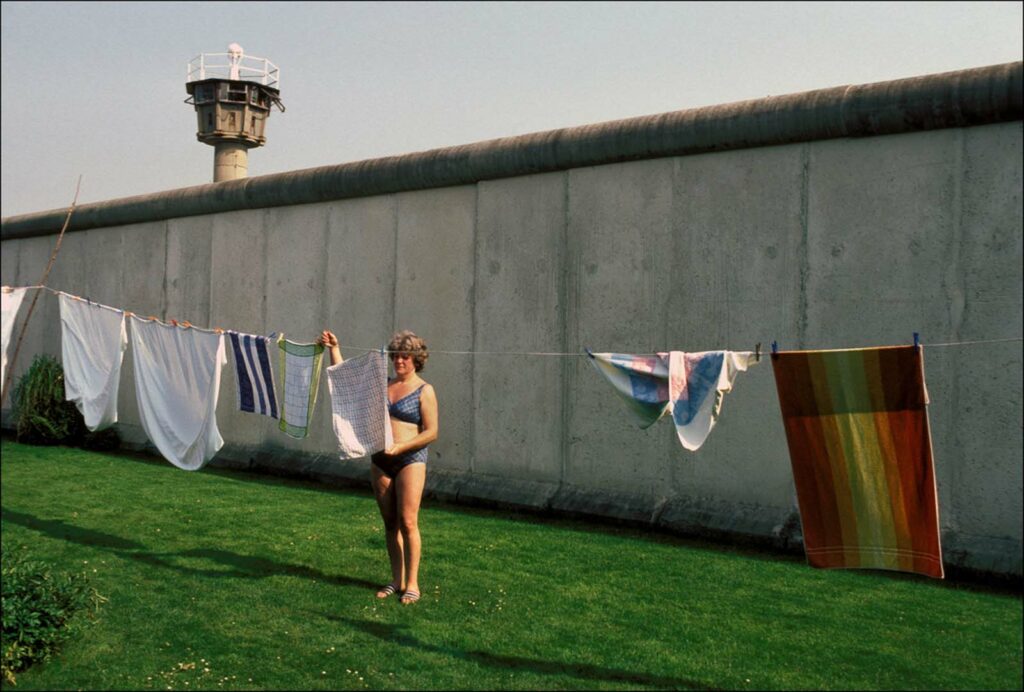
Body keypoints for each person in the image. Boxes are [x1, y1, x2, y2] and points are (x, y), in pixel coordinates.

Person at [317, 329, 438, 605]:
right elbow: (347, 382)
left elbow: (431, 432)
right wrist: (334, 348)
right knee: (390, 523)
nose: (399, 361)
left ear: (416, 359)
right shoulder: (382, 384)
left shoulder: (424, 390)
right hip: (380, 460)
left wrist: (401, 447)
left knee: (408, 522)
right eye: (395, 356)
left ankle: (413, 584)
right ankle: (396, 580)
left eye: (405, 357)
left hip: (411, 460)